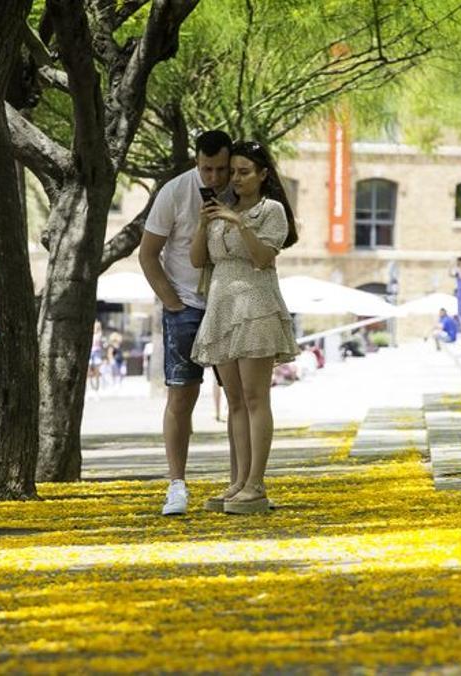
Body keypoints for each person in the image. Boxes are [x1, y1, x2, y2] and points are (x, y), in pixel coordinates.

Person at [190, 140, 299, 515]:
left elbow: (263, 257)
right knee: (234, 400)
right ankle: (239, 480)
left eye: (243, 172)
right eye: (232, 172)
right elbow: (197, 259)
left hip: (256, 305)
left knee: (256, 398)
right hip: (222, 304)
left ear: (263, 174)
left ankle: (256, 483)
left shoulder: (272, 211)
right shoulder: (221, 208)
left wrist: (238, 223)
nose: (235, 179)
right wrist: (205, 223)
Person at [139, 129, 236, 516]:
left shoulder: (242, 189)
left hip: (229, 306)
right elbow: (148, 254)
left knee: (239, 399)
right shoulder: (174, 192)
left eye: (221, 170)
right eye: (207, 169)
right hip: (186, 307)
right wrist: (172, 302)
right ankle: (176, 484)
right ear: (196, 162)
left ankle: (240, 483)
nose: (214, 178)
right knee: (182, 395)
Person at [87, 321, 105, 391]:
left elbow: (100, 341)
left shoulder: (99, 335)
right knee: (88, 370)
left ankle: (97, 386)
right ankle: (90, 384)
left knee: (97, 369)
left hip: (97, 352)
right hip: (91, 353)